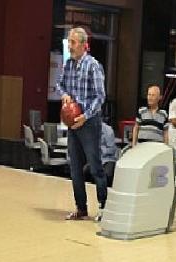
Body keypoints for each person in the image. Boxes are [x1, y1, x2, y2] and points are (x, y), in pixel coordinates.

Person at [56, 27, 108, 221]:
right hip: (72, 124)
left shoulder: (93, 65)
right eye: (68, 42)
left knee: (95, 167)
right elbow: (60, 84)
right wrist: (65, 94)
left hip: (89, 123)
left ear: (83, 44)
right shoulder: (68, 64)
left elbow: (100, 96)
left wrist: (85, 116)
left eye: (72, 42)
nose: (69, 46)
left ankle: (103, 206)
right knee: (75, 168)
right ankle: (81, 208)